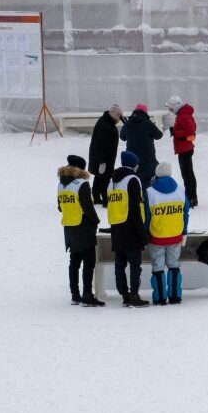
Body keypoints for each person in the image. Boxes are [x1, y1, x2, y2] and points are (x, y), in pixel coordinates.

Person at [57, 154, 104, 307]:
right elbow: (88, 207)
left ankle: (75, 294)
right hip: (83, 227)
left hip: (69, 228)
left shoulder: (61, 185)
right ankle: (87, 294)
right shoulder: (81, 184)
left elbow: (60, 207)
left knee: (74, 262)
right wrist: (96, 220)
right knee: (89, 262)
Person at [107, 150, 150, 307]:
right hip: (131, 227)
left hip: (116, 226)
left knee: (119, 263)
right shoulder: (133, 180)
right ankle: (134, 295)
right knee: (134, 264)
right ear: (134, 165)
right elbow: (135, 209)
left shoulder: (111, 181)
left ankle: (124, 294)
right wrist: (142, 233)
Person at [144, 161, 188, 305]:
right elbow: (185, 213)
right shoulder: (180, 190)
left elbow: (146, 216)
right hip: (175, 234)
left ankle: (160, 297)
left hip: (156, 236)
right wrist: (184, 231)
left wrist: (145, 233)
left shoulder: (150, 192)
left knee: (158, 266)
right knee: (174, 265)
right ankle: (175, 296)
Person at [88, 104, 124, 206]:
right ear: (115, 116)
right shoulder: (106, 126)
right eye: (119, 118)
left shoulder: (105, 122)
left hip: (100, 158)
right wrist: (102, 161)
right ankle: (105, 201)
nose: (119, 120)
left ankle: (96, 198)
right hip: (103, 159)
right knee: (104, 179)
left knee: (99, 177)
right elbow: (100, 145)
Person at [166, 96, 198, 208]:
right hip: (185, 147)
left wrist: (176, 133)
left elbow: (191, 129)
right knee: (189, 174)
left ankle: (190, 198)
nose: (170, 110)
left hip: (185, 148)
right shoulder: (183, 115)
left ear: (176, 106)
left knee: (187, 175)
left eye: (171, 108)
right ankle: (192, 197)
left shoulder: (183, 116)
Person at [120, 103, 162, 187]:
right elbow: (159, 135)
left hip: (133, 161)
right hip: (148, 160)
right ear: (145, 113)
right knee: (149, 183)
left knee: (135, 183)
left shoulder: (128, 124)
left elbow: (122, 137)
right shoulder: (148, 124)